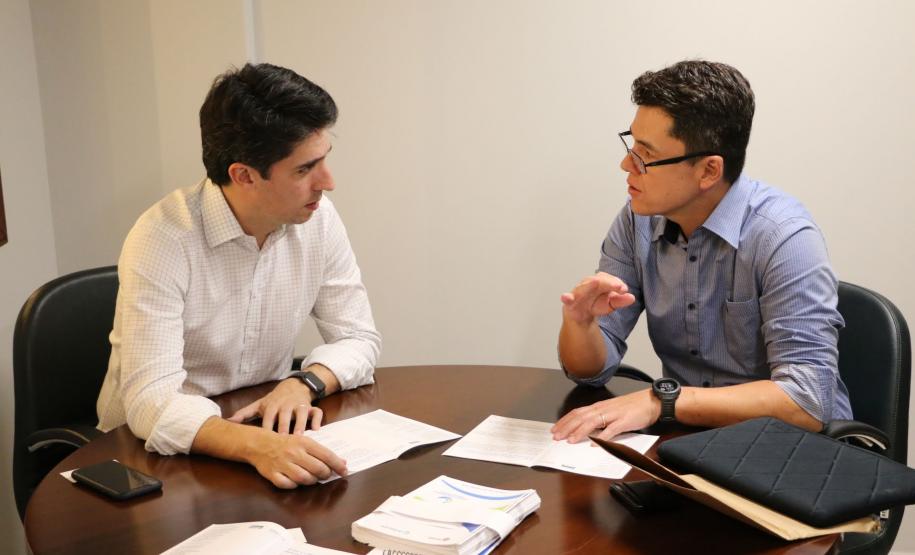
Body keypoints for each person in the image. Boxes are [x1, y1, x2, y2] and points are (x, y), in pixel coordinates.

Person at [97, 63, 381, 488]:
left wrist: (302, 384)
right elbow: (151, 402)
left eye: (324, 161)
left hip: (258, 435)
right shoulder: (163, 240)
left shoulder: (317, 220)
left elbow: (359, 338)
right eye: (304, 170)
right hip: (151, 459)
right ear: (244, 175)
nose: (328, 183)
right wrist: (254, 445)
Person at [551, 60, 851, 444]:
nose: (626, 163)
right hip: (694, 442)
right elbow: (590, 371)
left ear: (709, 171)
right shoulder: (638, 220)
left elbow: (806, 401)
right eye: (631, 143)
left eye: (645, 154)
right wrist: (581, 325)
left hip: (793, 454)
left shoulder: (784, 236)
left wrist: (663, 400)